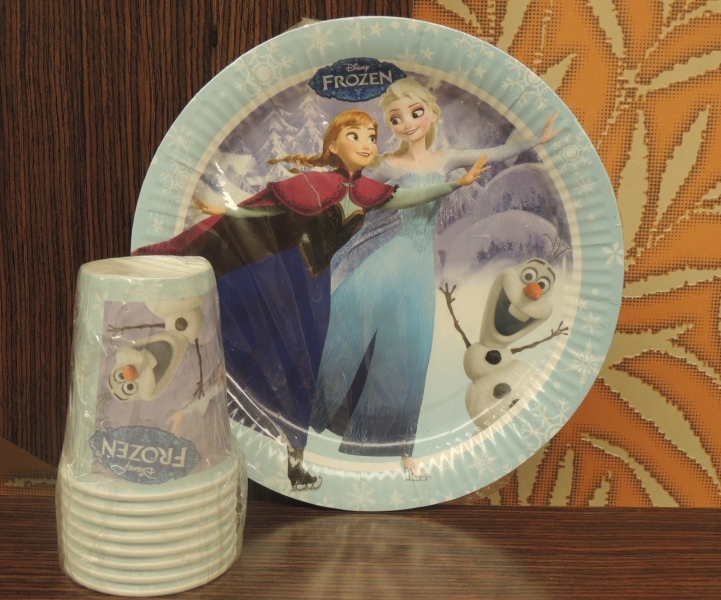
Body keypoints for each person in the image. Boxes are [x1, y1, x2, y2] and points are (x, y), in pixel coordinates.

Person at [134, 109, 486, 490]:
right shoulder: (314, 185)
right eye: (355, 136)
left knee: (305, 371)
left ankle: (295, 462)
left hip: (315, 290)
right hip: (283, 276)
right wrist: (226, 211)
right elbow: (269, 208)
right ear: (333, 145)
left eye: (371, 137)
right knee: (262, 344)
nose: (367, 144)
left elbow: (411, 196)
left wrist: (456, 184)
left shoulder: (370, 193)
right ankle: (216, 406)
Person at [311, 79, 561, 481]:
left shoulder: (447, 159)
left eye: (415, 113)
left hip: (416, 267)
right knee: (344, 329)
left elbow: (494, 153)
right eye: (396, 118)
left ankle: (387, 444)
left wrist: (538, 140)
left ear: (432, 114)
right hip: (385, 260)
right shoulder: (384, 164)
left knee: (405, 352)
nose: (407, 123)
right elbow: (347, 179)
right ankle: (315, 416)